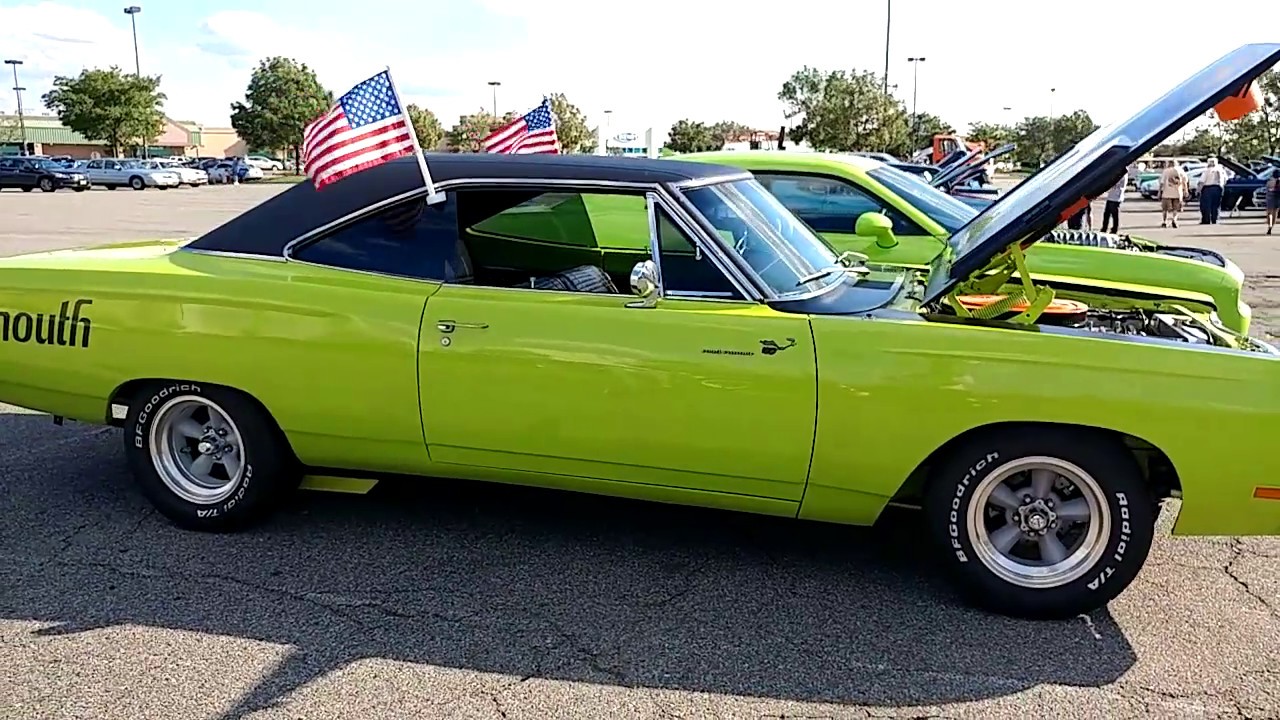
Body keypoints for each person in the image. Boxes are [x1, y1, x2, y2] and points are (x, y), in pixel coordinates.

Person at [1197, 157, 1227, 224]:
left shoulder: (1207, 171)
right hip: (1218, 188)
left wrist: (1198, 190)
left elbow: (1202, 181)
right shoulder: (1221, 171)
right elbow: (1225, 180)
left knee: (1206, 205)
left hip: (1208, 188)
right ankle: (1215, 219)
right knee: (1216, 205)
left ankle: (1206, 220)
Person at [1159, 160, 1188, 228]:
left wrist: (1159, 191)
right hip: (1177, 192)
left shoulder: (1166, 171)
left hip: (1167, 193)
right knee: (1176, 208)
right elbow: (1185, 181)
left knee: (1165, 209)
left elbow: (1162, 182)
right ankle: (1174, 220)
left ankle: (1165, 221)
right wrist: (1185, 190)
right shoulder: (1180, 170)